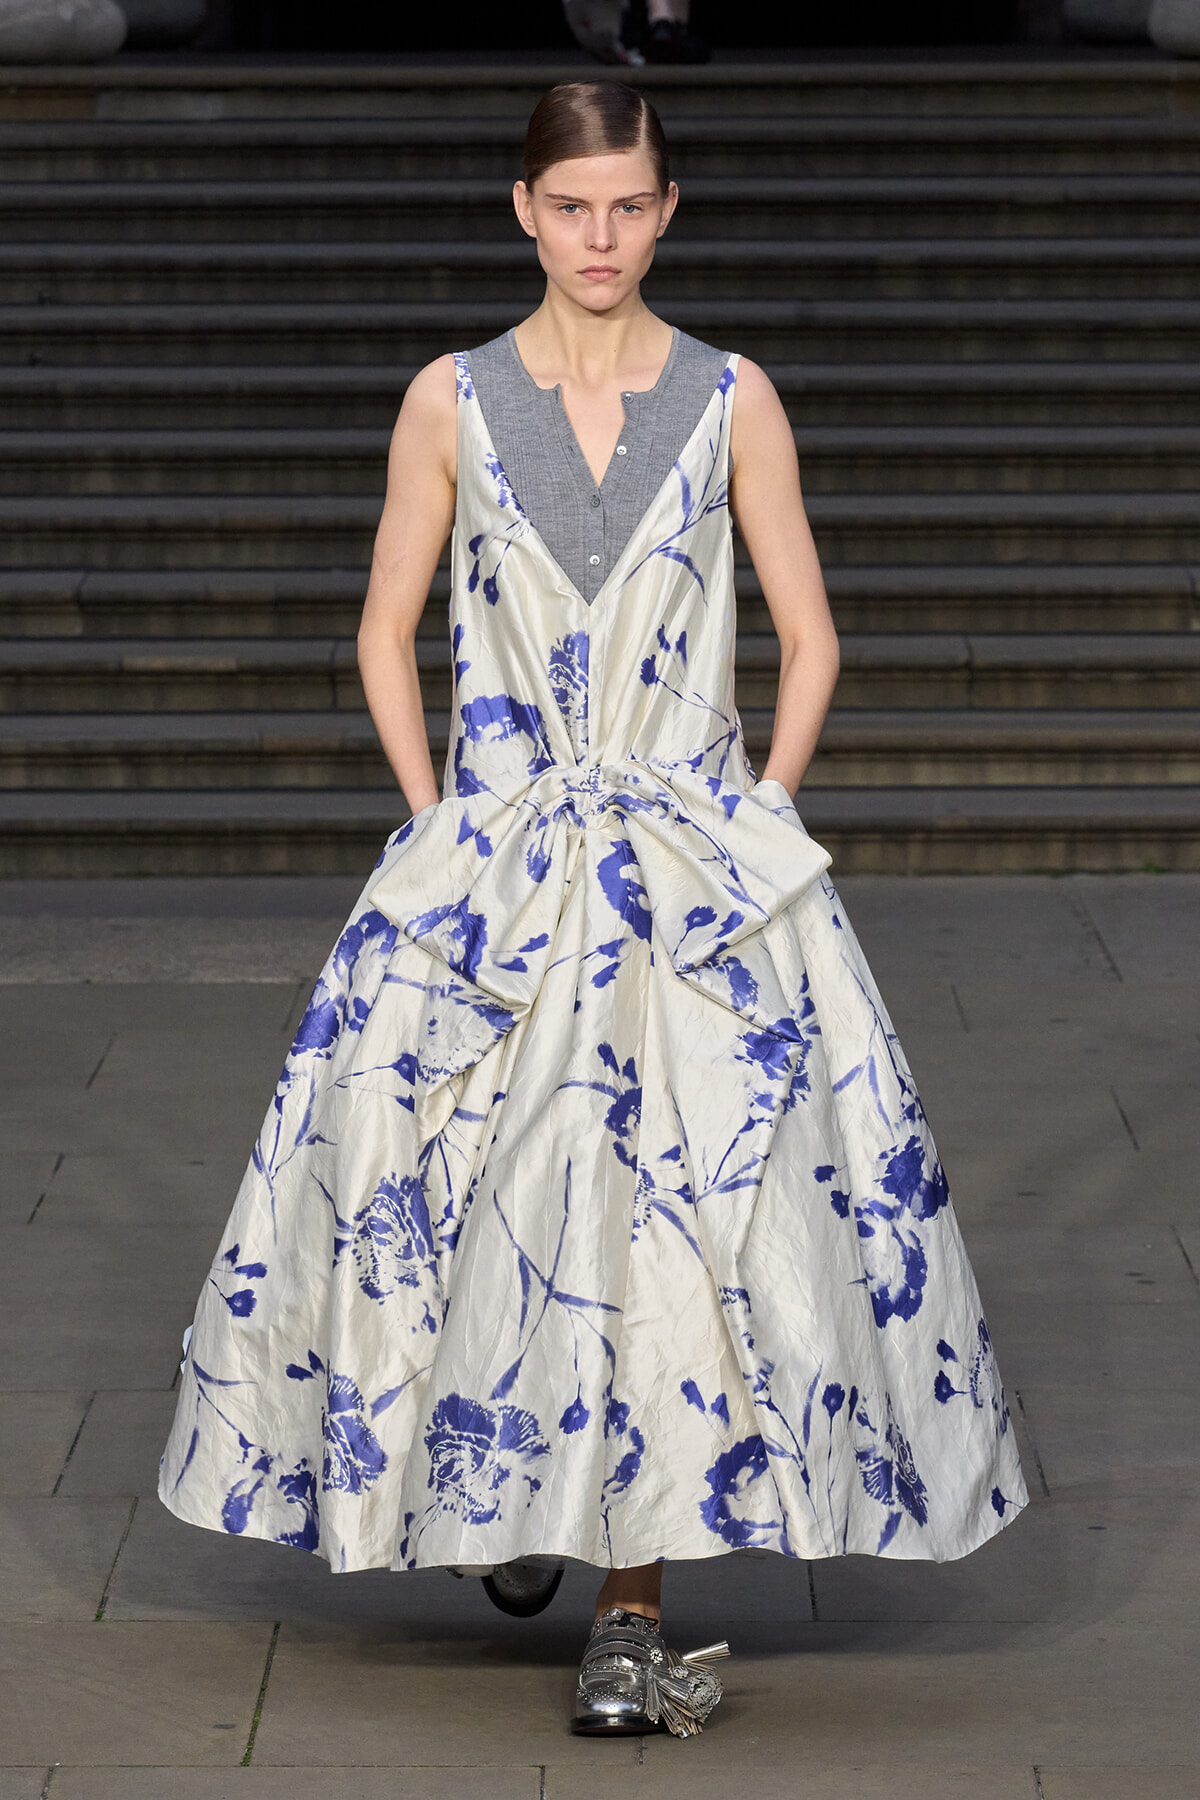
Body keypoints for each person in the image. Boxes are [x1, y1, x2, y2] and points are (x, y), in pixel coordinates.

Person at [158, 80, 1028, 1740]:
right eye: (575, 207)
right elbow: (384, 623)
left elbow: (812, 630)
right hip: (499, 853)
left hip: (690, 860)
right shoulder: (451, 400)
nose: (603, 238)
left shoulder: (731, 398)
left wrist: (754, 811)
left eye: (630, 206)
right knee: (464, 1188)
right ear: (524, 210)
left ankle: (630, 1611)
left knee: (677, 1218)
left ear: (668, 210)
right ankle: (526, 1503)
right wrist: (440, 820)